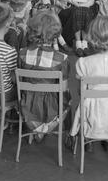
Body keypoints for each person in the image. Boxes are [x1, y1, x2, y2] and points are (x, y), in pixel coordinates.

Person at [70, 16, 108, 153]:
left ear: (91, 37)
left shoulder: (83, 62)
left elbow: (82, 91)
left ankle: (88, 139)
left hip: (91, 111)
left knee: (84, 102)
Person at [18, 10, 71, 142]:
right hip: (53, 110)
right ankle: (59, 131)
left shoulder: (22, 53)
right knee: (68, 98)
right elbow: (63, 90)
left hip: (26, 107)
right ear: (55, 33)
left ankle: (37, 128)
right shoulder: (62, 58)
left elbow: (20, 81)